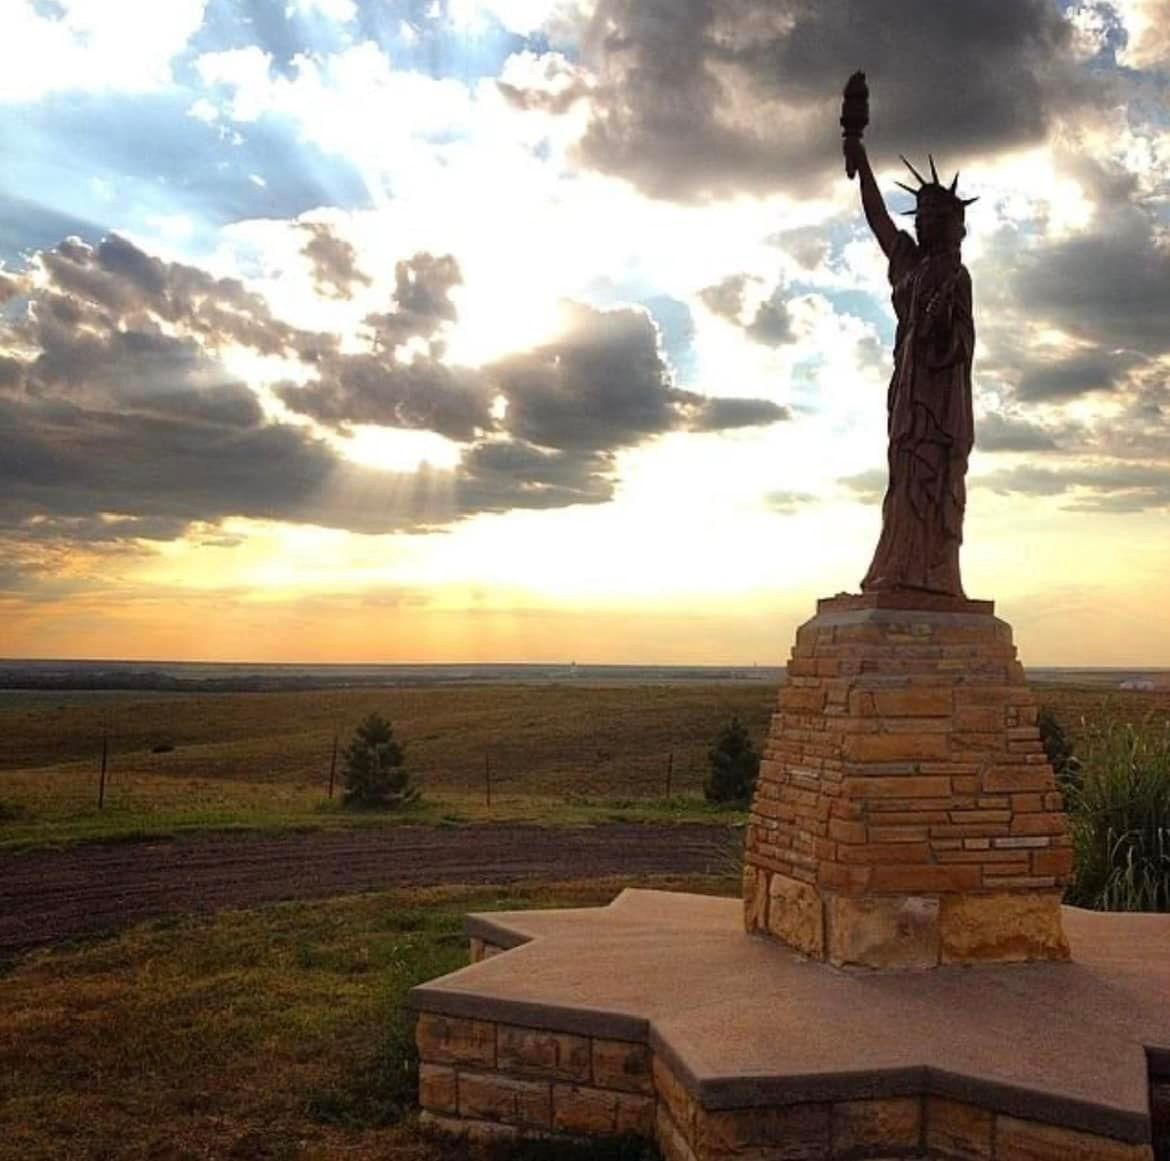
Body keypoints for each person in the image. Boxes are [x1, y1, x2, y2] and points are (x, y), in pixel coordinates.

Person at [843, 137, 976, 597]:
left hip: (940, 394)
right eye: (919, 216)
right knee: (904, 475)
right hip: (909, 388)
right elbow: (878, 220)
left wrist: (941, 326)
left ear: (953, 225)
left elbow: (961, 340)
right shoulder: (908, 263)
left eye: (933, 217)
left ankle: (935, 575)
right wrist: (860, 160)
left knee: (933, 476)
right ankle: (898, 569)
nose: (923, 223)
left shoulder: (957, 276)